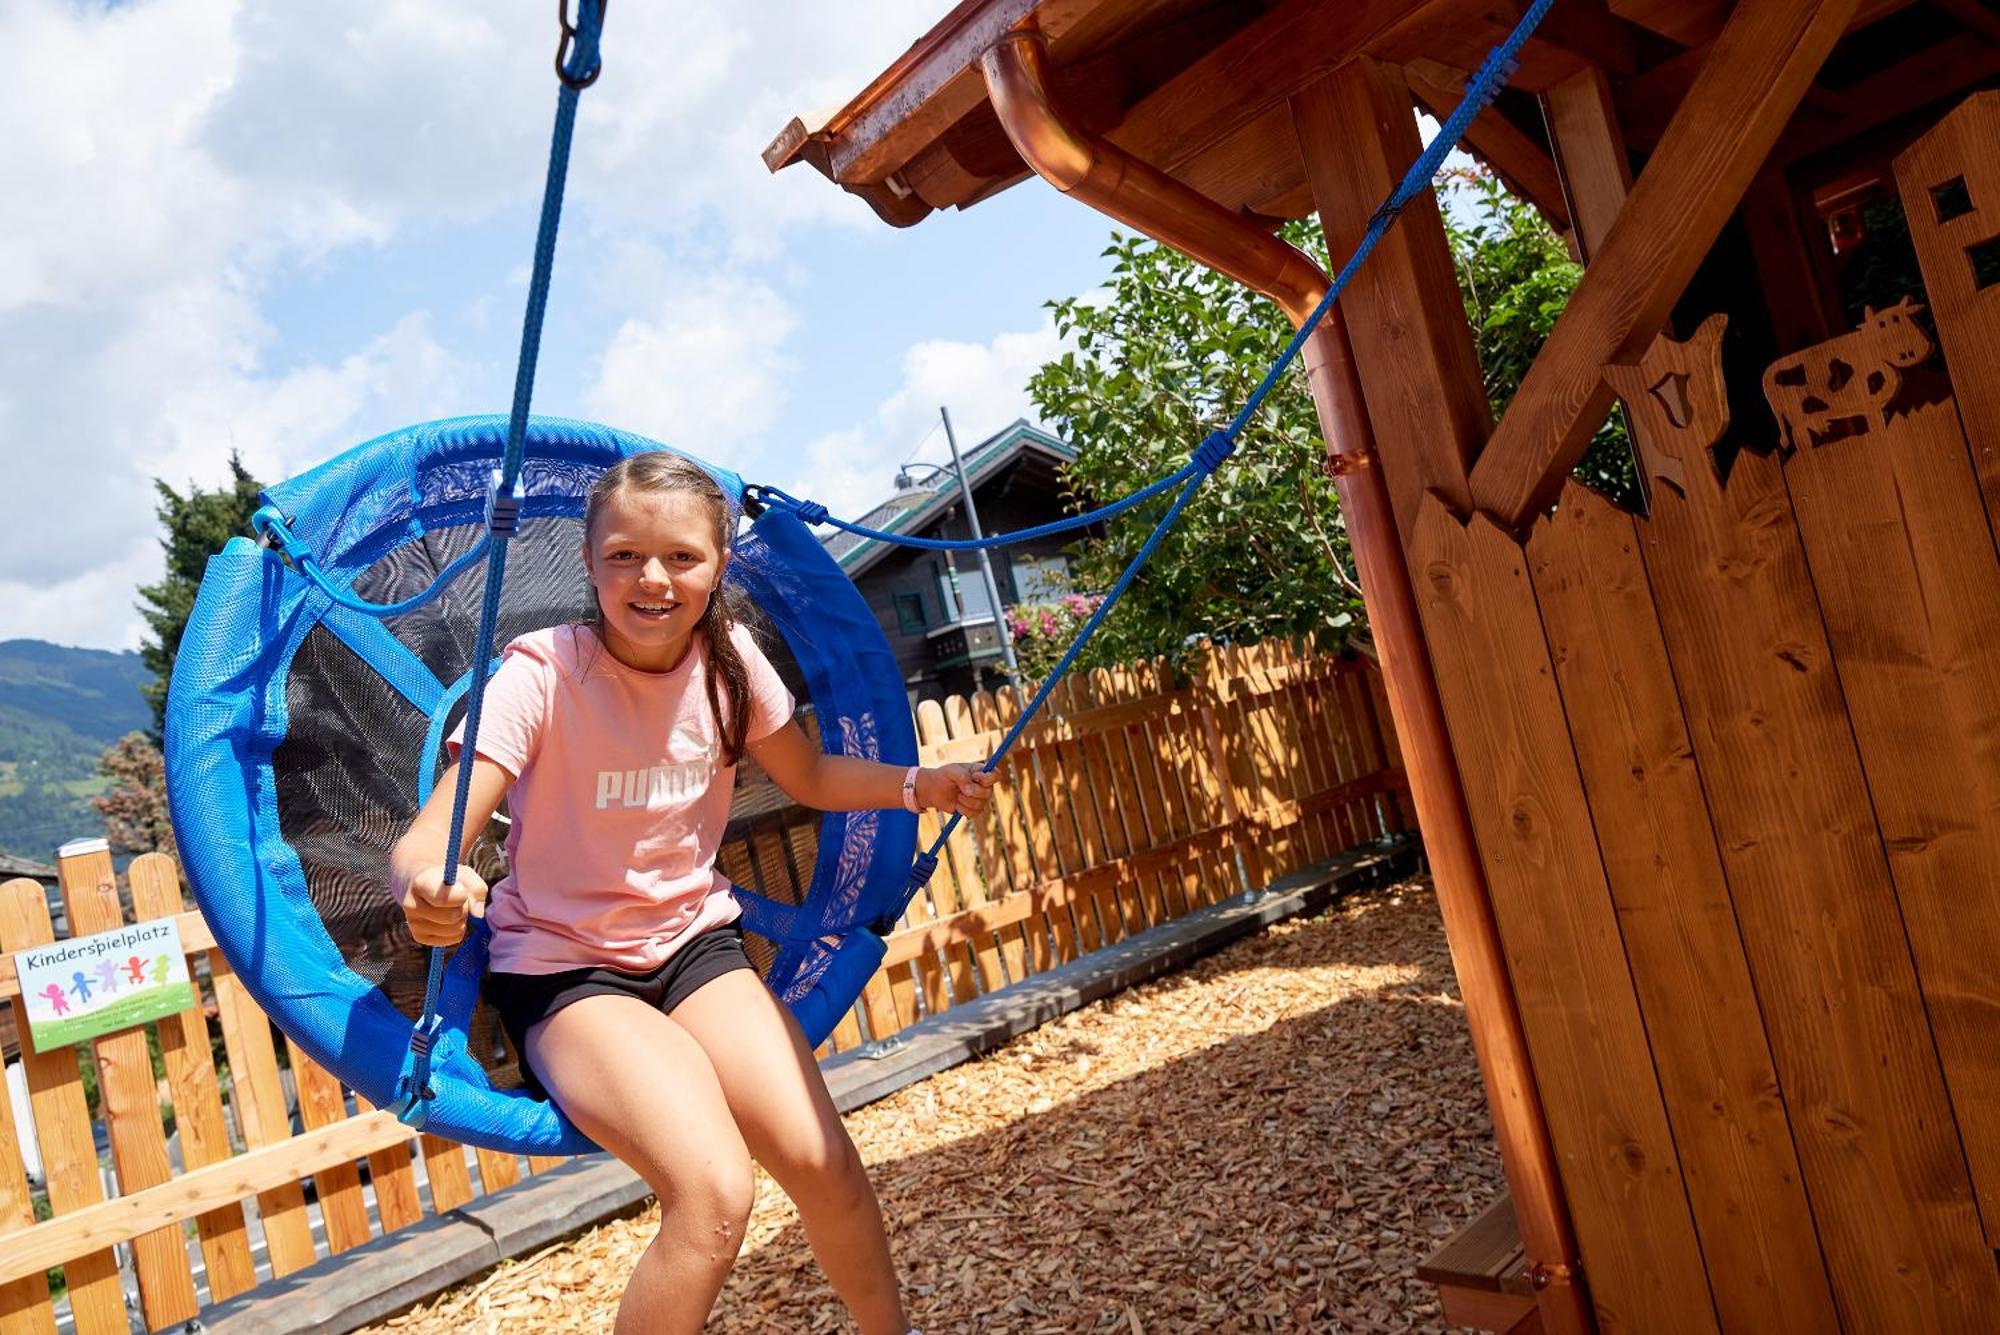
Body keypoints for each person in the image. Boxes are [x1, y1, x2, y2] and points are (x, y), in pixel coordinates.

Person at [391, 451, 995, 1335]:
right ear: (589, 562)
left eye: (681, 556)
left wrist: (919, 784)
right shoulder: (541, 673)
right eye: (625, 555)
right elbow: (427, 837)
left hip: (694, 947)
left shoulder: (730, 663)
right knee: (715, 1193)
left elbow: (814, 774)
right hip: (568, 969)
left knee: (824, 1158)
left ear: (717, 566)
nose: (653, 578)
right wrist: (427, 885)